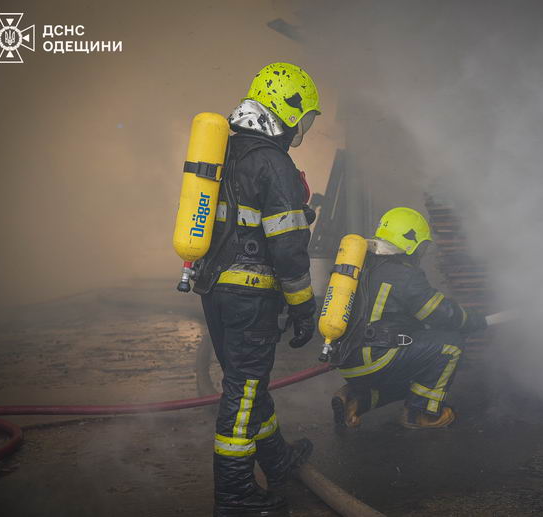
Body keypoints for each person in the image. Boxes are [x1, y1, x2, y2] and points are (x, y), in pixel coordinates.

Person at [194, 62, 320, 516]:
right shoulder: (273, 161)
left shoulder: (228, 151)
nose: (302, 129)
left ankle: (276, 459)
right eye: (303, 118)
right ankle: (234, 495)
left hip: (216, 290)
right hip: (249, 296)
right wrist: (303, 307)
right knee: (244, 391)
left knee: (247, 383)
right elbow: (288, 249)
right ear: (287, 110)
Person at [331, 207, 487, 430]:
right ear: (410, 244)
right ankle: (420, 415)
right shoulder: (404, 274)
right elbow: (439, 313)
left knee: (419, 367)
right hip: (375, 360)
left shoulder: (364, 264)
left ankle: (356, 400)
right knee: (450, 346)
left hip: (349, 361)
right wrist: (470, 320)